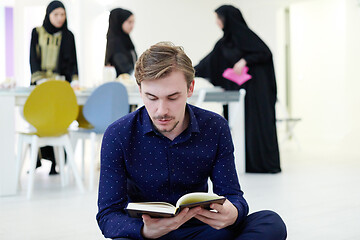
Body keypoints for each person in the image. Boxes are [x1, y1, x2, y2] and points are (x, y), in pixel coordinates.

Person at [96, 42, 286, 240]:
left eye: (172, 97)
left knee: (270, 223)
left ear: (190, 88)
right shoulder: (118, 134)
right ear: (140, 90)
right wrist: (145, 231)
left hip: (200, 231)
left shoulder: (215, 127)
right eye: (151, 98)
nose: (161, 111)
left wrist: (233, 213)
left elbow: (233, 196)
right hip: (148, 234)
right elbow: (108, 215)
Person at [195, 5, 281, 173]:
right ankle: (246, 163)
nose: (217, 22)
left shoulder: (245, 36)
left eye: (219, 18)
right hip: (238, 92)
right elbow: (209, 62)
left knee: (256, 124)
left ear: (228, 19)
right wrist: (187, 72)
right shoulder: (224, 42)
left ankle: (264, 164)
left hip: (256, 91)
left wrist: (245, 60)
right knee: (242, 124)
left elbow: (265, 53)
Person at [29, 0, 79, 174]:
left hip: (60, 86)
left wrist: (74, 80)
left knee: (59, 122)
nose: (59, 18)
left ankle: (56, 163)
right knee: (39, 121)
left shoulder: (68, 35)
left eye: (62, 14)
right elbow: (33, 59)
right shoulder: (37, 32)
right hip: (40, 85)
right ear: (48, 15)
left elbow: (73, 61)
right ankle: (37, 161)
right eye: (56, 14)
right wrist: (39, 80)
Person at [105, 8, 137, 77]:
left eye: (133, 22)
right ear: (120, 22)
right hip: (120, 84)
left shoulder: (126, 40)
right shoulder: (115, 43)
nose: (132, 26)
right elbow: (125, 68)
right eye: (129, 22)